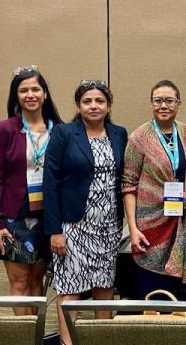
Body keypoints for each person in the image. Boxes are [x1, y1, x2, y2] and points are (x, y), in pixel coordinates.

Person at [43, 80, 127, 345]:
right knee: (71, 289)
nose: (93, 106)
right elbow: (50, 182)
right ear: (78, 106)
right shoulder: (64, 133)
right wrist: (55, 231)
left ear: (109, 105)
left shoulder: (119, 133)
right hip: (73, 226)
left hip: (108, 227)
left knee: (104, 286)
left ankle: (102, 338)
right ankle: (68, 342)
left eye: (99, 101)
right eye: (87, 101)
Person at [0, 65, 62, 314]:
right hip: (13, 215)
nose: (30, 94)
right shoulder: (4, 130)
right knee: (19, 281)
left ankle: (35, 334)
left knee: (37, 281)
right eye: (23, 90)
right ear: (16, 96)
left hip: (48, 214)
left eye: (35, 89)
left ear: (45, 94)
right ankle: (23, 336)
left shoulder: (60, 130)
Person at [122, 80, 186, 300]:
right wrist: (133, 229)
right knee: (155, 292)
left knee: (178, 296)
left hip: (181, 226)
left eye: (169, 100)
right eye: (158, 101)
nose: (163, 105)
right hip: (150, 229)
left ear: (179, 104)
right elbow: (128, 185)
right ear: (151, 104)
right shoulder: (138, 138)